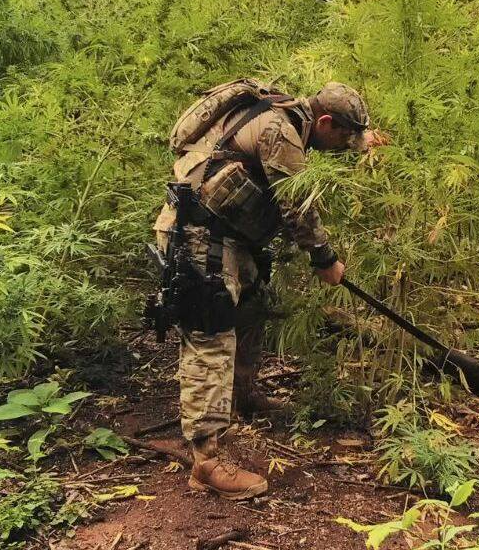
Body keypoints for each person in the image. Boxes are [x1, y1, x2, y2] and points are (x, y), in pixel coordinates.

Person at [153, 81, 383, 500]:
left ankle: (241, 397)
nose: (342, 147)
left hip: (230, 237)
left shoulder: (287, 114)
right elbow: (297, 206)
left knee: (252, 309)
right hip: (199, 235)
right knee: (211, 335)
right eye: (342, 138)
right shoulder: (281, 130)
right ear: (325, 122)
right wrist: (325, 259)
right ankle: (205, 461)